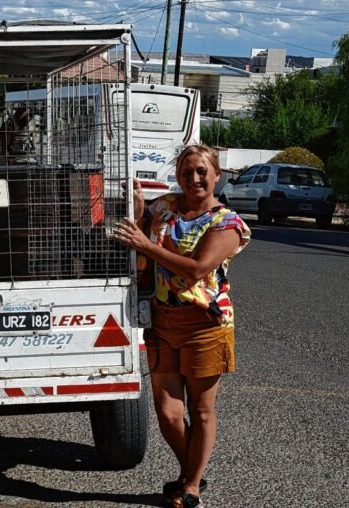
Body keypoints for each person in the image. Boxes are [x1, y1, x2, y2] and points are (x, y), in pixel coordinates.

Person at [112, 144, 250, 508]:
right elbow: (140, 240)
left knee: (201, 410)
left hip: (204, 326)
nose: (194, 178)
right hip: (162, 321)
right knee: (169, 413)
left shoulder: (228, 223)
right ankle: (192, 474)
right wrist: (141, 212)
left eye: (202, 171)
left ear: (217, 175)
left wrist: (146, 243)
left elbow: (197, 269)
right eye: (187, 172)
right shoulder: (166, 207)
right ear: (177, 176)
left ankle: (189, 486)